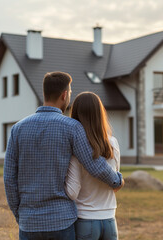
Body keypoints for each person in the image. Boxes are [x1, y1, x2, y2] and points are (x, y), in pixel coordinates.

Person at [4, 72, 123, 240]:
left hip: (28, 221)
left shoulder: (17, 129)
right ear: (64, 95)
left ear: (45, 93)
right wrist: (117, 180)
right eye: (70, 92)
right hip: (61, 221)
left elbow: (9, 178)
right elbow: (94, 164)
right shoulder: (72, 127)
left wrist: (20, 213)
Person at [65, 92, 122, 240]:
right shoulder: (113, 143)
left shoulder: (76, 149)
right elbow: (114, 183)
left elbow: (72, 192)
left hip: (85, 220)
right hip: (110, 219)